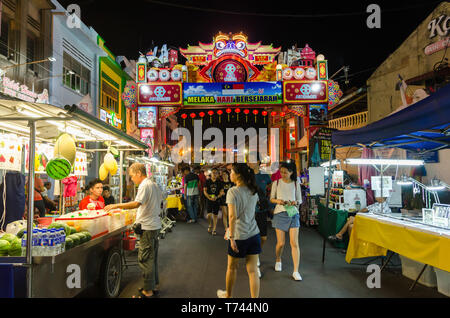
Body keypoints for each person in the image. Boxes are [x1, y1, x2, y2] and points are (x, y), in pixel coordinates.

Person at [104, 163, 162, 298]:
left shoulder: (144, 185)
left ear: (138, 173)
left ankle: (148, 291)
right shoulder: (153, 185)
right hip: (154, 225)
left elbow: (136, 203)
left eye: (131, 176)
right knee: (152, 258)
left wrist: (116, 205)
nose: (131, 179)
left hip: (148, 227)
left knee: (145, 259)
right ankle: (152, 286)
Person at [217, 163, 261, 298]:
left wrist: (231, 238)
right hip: (254, 233)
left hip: (239, 236)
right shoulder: (253, 191)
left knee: (231, 268)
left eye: (231, 172)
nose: (230, 174)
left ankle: (228, 295)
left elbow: (232, 216)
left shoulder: (232, 191)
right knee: (253, 271)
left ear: (238, 175)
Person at [270, 161, 303, 281]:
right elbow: (271, 199)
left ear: (291, 172)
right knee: (281, 243)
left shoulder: (296, 183)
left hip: (293, 213)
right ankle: (278, 259)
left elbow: (300, 200)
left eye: (285, 172)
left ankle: (296, 271)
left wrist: (295, 202)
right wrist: (278, 201)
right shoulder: (276, 183)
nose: (282, 174)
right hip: (280, 213)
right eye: (281, 171)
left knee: (294, 243)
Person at [248, 155, 272, 278]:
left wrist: (268, 200)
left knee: (263, 238)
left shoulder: (264, 176)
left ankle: (255, 253)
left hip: (262, 210)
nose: (248, 162)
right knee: (254, 236)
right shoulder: (247, 177)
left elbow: (271, 187)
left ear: (258, 161)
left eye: (251, 159)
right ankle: (254, 259)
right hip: (250, 211)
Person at [204, 168, 225, 235]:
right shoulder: (207, 181)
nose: (215, 174)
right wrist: (209, 197)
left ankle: (214, 229)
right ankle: (210, 224)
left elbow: (221, 192)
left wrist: (217, 197)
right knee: (209, 215)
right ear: (211, 174)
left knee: (215, 215)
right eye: (213, 173)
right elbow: (204, 190)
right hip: (209, 200)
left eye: (216, 173)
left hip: (217, 200)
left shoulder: (219, 182)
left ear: (218, 174)